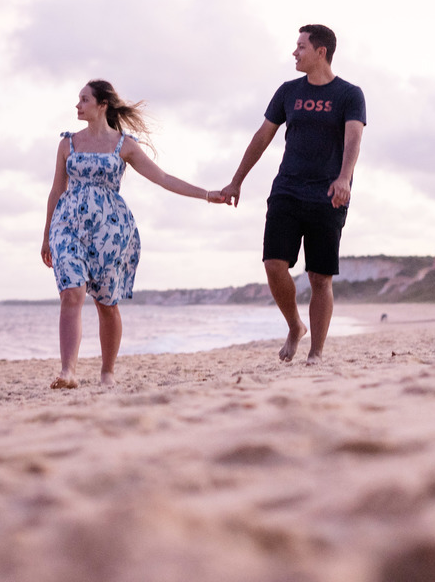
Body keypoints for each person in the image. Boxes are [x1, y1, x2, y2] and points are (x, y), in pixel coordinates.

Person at [41, 79, 225, 389]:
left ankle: (107, 372)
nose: (77, 105)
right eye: (78, 99)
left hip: (110, 231)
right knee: (72, 293)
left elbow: (163, 177)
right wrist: (47, 234)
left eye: (84, 99)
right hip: (67, 225)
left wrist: (207, 194)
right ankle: (68, 371)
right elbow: (57, 189)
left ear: (103, 105)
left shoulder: (124, 145)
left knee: (106, 304)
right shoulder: (67, 144)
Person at [220, 25, 366, 365]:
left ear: (321, 52)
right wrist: (236, 181)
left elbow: (354, 138)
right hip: (287, 188)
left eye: (301, 46)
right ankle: (294, 326)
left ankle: (316, 352)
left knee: (320, 277)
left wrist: (344, 178)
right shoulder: (288, 91)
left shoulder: (349, 94)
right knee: (274, 264)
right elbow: (262, 136)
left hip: (328, 193)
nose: (294, 52)